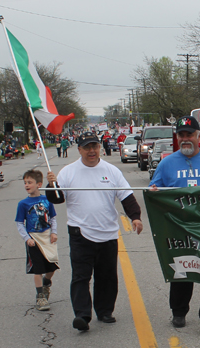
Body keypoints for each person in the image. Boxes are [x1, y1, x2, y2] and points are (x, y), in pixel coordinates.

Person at [46, 131, 143, 332]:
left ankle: (105, 311)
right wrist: (51, 185)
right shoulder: (68, 172)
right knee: (81, 276)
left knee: (107, 276)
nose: (92, 151)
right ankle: (82, 315)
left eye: (95, 146)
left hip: (107, 232)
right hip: (80, 232)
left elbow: (126, 196)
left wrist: (135, 217)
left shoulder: (112, 171)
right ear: (79, 149)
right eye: (87, 147)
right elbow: (57, 198)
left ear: (99, 147)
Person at [149, 116, 200, 338]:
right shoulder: (167, 163)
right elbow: (153, 189)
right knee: (182, 271)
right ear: (177, 138)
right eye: (181, 135)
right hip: (178, 227)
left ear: (199, 136)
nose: (185, 139)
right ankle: (178, 311)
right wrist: (154, 191)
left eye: (189, 134)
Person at [15, 170, 59, 311]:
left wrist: (54, 232)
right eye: (25, 183)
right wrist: (27, 238)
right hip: (34, 238)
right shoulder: (23, 204)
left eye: (29, 182)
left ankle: (47, 282)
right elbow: (19, 223)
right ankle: (40, 297)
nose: (26, 185)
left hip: (47, 236)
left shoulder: (47, 200)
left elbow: (52, 218)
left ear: (39, 184)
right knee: (38, 269)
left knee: (52, 264)